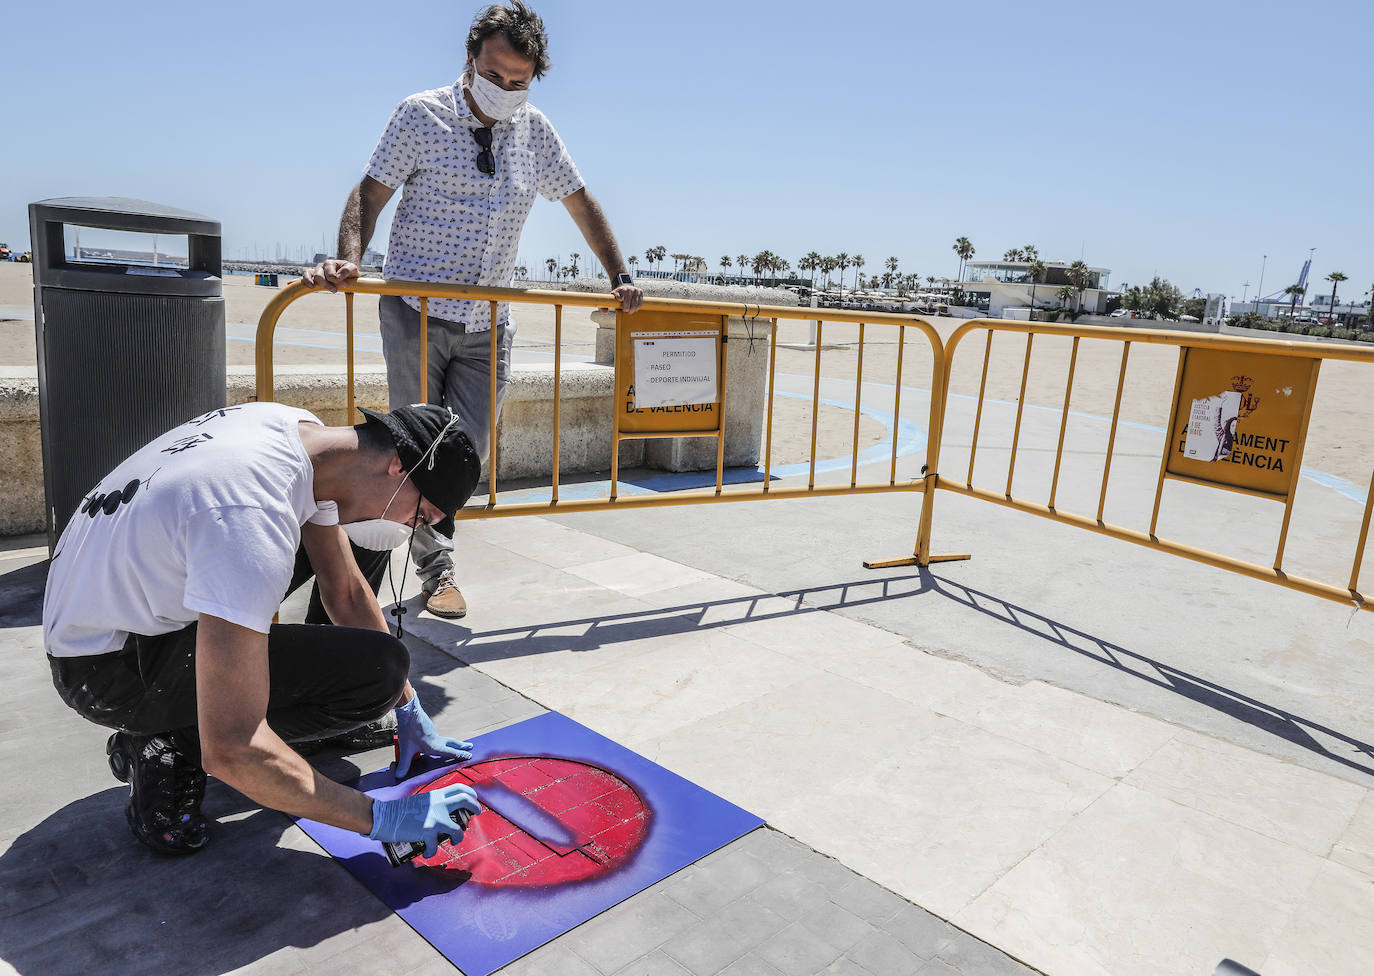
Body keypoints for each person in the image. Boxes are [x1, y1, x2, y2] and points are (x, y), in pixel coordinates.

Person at [304, 1, 644, 620]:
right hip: (415, 310)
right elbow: (369, 192)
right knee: (407, 452)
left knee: (466, 454)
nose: (506, 90)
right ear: (469, 60)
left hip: (488, 324)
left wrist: (620, 275)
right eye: (495, 75)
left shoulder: (535, 130)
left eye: (520, 82)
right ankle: (401, 580)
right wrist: (347, 258)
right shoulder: (420, 114)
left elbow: (579, 201)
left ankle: (399, 565)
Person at [43, 401, 485, 856]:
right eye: (419, 518)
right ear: (397, 467)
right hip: (106, 669)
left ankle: (203, 724)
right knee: (353, 679)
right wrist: (381, 817)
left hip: (115, 615)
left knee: (380, 661)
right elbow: (234, 746)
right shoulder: (250, 511)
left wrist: (408, 707)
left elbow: (347, 591)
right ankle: (171, 741)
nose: (407, 528)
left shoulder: (298, 434)